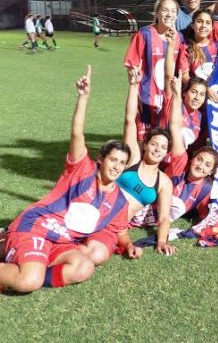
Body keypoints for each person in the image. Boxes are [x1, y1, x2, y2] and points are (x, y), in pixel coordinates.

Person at [0, 66, 140, 293]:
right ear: (101, 159)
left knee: (84, 267)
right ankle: (26, 269)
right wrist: (83, 97)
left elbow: (121, 231)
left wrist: (129, 246)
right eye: (113, 160)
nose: (116, 166)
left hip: (62, 242)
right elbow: (77, 134)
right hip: (37, 227)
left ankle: (24, 261)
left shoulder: (118, 201)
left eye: (121, 163)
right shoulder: (81, 169)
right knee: (28, 282)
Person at [130, 76, 218, 232]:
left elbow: (200, 146)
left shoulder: (199, 117)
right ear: (185, 93)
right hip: (160, 161)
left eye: (201, 94)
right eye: (194, 92)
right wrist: (176, 93)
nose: (197, 97)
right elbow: (175, 127)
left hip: (175, 165)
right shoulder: (174, 102)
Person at [120, 68, 177, 256]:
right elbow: (129, 120)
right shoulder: (133, 158)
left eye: (162, 147)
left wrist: (161, 240)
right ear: (145, 145)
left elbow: (164, 218)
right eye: (154, 144)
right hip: (98, 207)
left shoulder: (164, 182)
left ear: (166, 154)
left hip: (116, 226)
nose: (157, 149)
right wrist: (133, 86)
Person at [123, 0, 184, 141]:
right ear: (156, 13)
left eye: (173, 11)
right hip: (146, 99)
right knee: (141, 144)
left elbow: (181, 70)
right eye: (165, 10)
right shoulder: (145, 34)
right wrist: (135, 94)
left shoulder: (179, 38)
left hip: (168, 101)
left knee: (162, 145)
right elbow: (132, 67)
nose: (169, 14)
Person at [178, 10, 218, 83]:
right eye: (199, 21)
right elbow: (184, 77)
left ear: (212, 27)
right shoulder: (185, 48)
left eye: (208, 23)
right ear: (192, 25)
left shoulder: (217, 47)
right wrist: (204, 89)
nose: (203, 26)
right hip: (195, 92)